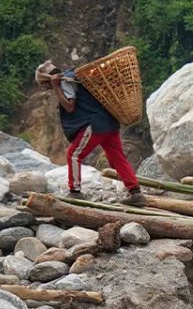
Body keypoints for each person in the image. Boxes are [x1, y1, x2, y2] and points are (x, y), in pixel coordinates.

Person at [36, 61, 145, 206]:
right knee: (118, 157)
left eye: (44, 83)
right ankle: (136, 192)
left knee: (73, 154)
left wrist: (56, 87)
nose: (45, 87)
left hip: (95, 124)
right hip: (109, 121)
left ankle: (75, 191)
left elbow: (69, 106)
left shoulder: (65, 82)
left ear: (48, 78)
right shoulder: (74, 76)